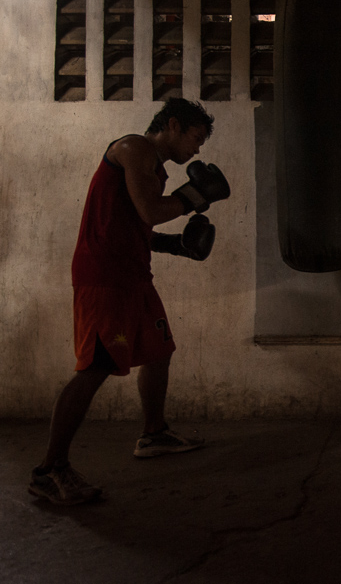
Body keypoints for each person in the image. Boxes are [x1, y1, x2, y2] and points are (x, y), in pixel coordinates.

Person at [29, 98, 231, 505]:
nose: (197, 150)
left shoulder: (152, 167)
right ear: (172, 125)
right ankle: (50, 470)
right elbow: (151, 211)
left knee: (159, 350)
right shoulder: (133, 148)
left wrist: (176, 245)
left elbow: (136, 225)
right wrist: (194, 195)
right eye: (195, 138)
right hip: (104, 278)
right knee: (96, 366)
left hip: (133, 274)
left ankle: (154, 434)